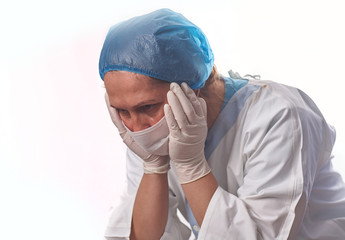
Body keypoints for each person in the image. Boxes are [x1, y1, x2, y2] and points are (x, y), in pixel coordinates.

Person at [99, 8, 345, 240]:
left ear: (191, 89)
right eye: (122, 111)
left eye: (147, 107)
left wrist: (190, 166)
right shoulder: (147, 132)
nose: (137, 128)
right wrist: (153, 167)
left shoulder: (279, 116)